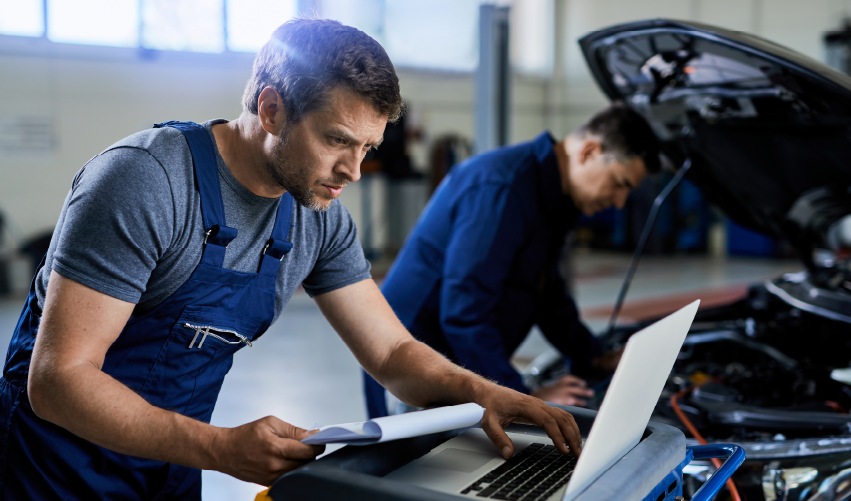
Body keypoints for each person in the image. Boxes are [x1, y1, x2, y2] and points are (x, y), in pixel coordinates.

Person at [0, 18, 582, 499]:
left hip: (166, 463)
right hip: (53, 470)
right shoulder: (146, 182)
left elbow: (392, 351)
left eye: (368, 148)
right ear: (272, 109)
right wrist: (221, 447)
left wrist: (487, 394)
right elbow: (59, 379)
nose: (354, 171)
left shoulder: (316, 217)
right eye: (336, 140)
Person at [364, 103, 662, 418]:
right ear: (589, 151)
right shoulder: (504, 188)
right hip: (413, 369)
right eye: (619, 183)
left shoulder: (551, 198)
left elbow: (547, 294)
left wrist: (593, 357)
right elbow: (466, 314)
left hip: (454, 363)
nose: (619, 202)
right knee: (418, 466)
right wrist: (521, 398)